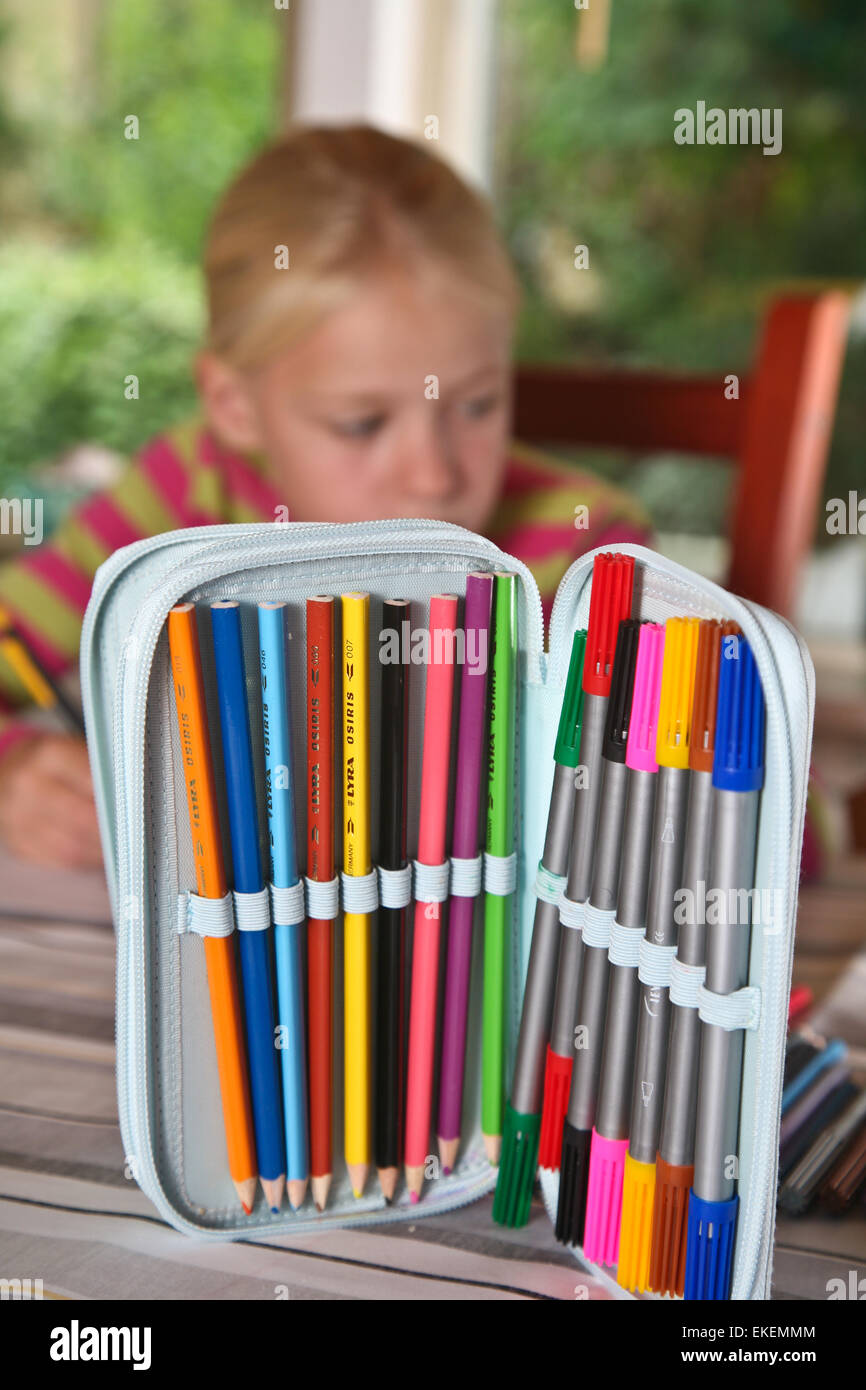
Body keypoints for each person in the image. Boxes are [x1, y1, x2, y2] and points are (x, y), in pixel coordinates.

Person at [0, 124, 650, 869]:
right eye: (362, 423)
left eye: (476, 404)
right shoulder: (192, 488)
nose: (434, 475)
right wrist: (14, 770)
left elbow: (783, 825)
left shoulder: (583, 555)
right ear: (234, 404)